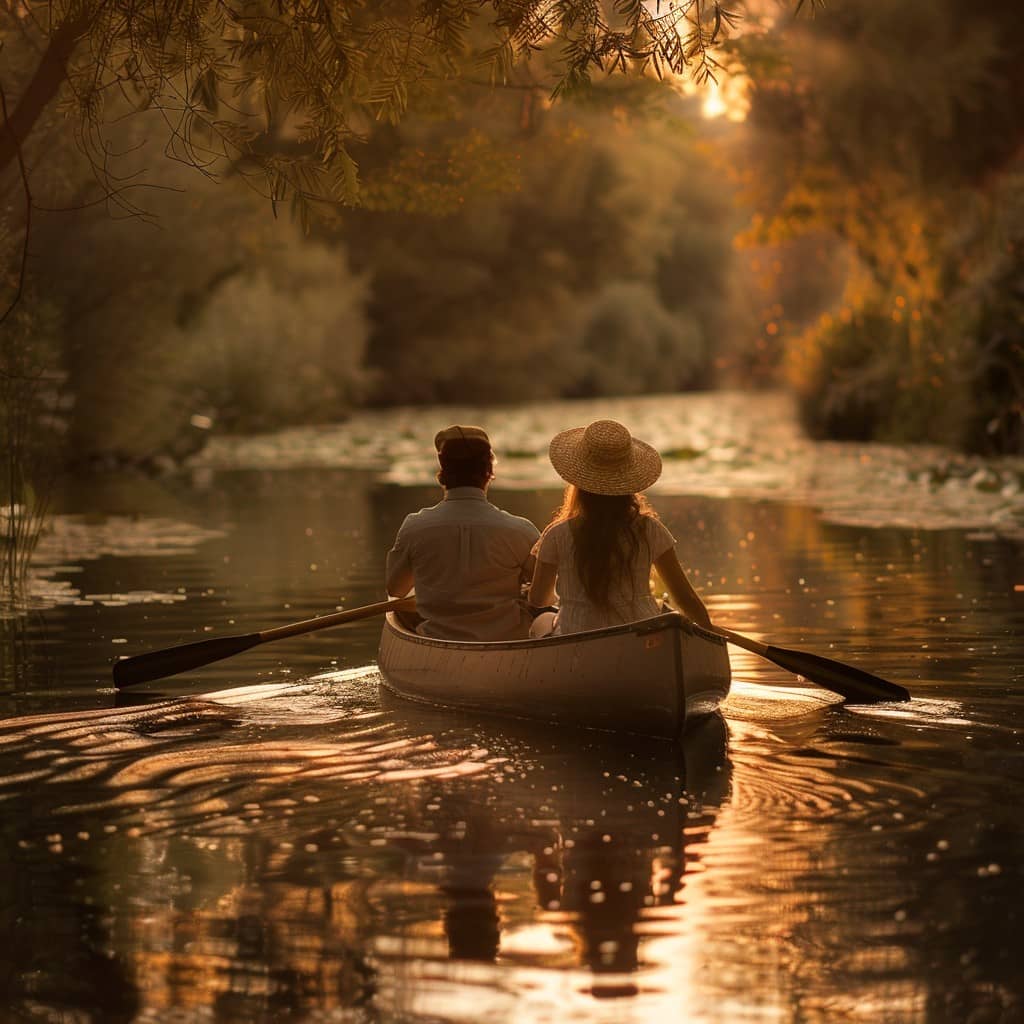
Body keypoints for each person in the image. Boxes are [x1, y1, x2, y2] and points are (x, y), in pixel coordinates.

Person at [528, 419, 711, 635]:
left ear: (578, 482)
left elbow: (538, 599)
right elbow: (685, 598)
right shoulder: (651, 529)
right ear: (628, 481)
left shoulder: (557, 534)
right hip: (643, 631)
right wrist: (711, 636)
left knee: (542, 621)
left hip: (576, 631)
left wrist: (562, 595)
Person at [385, 425, 540, 641]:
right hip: (509, 639)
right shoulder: (520, 530)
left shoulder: (415, 527)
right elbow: (544, 595)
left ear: (443, 472)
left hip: (437, 639)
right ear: (489, 471)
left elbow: (397, 590)